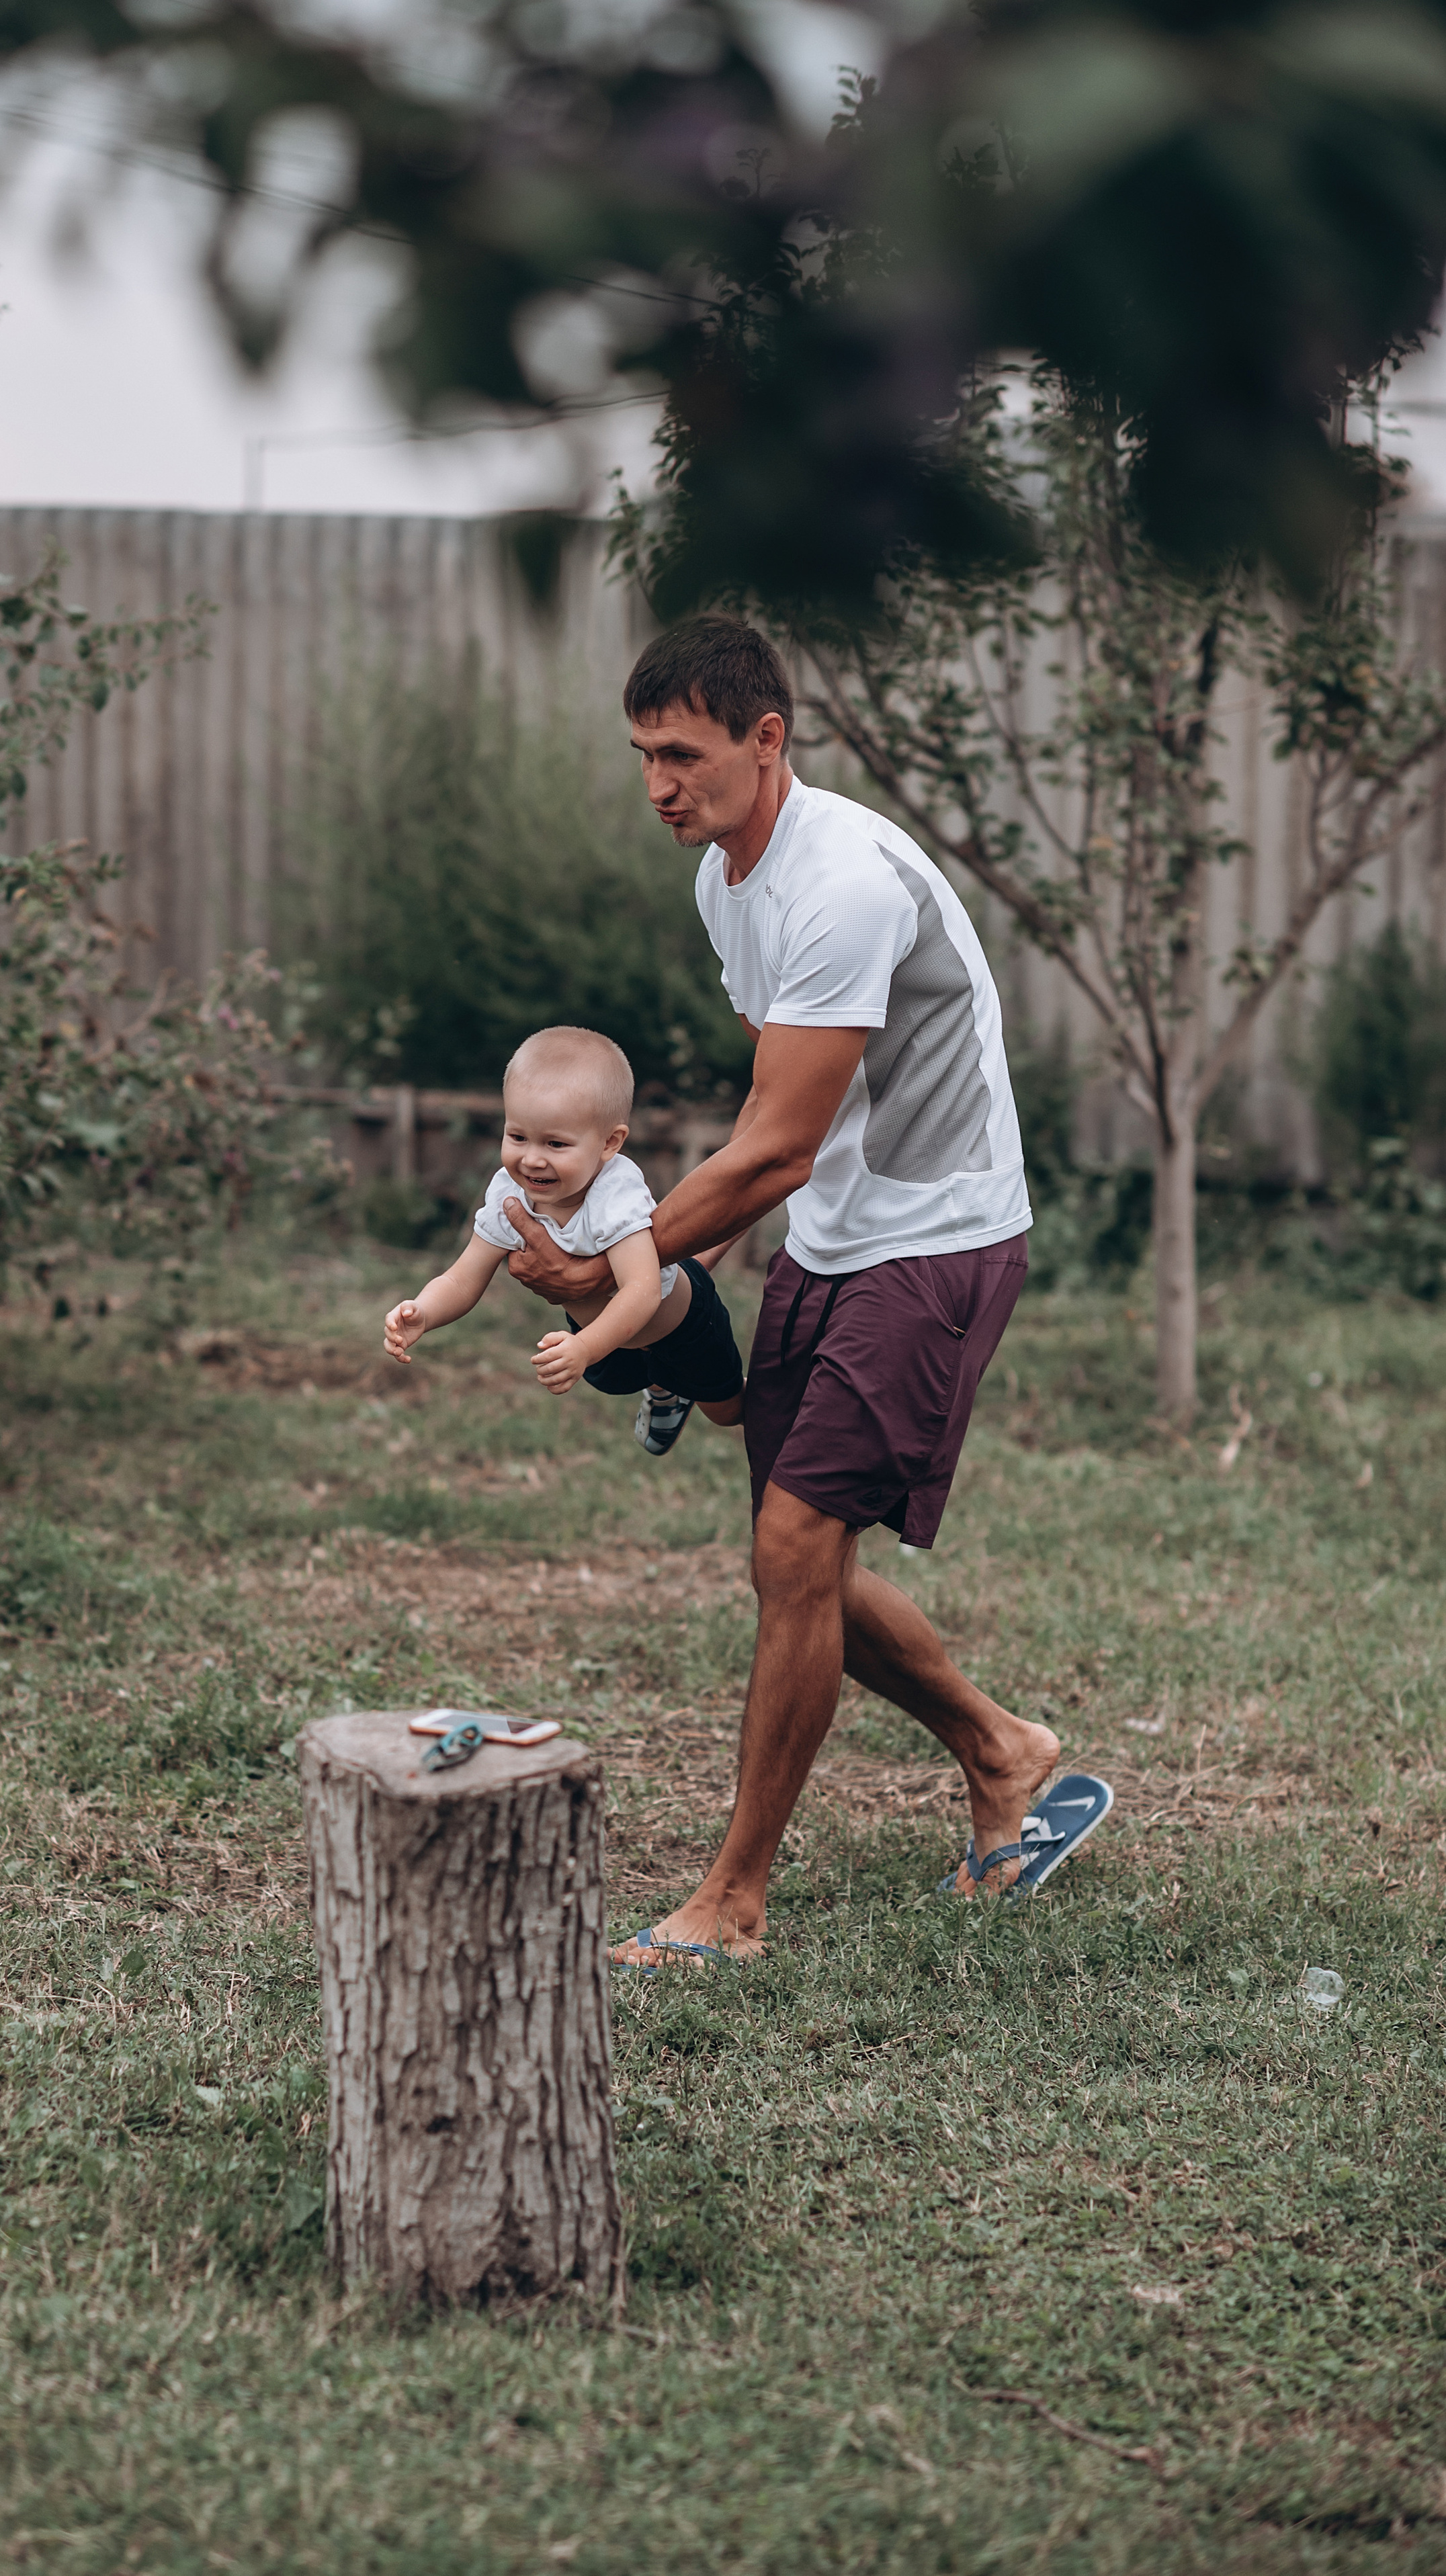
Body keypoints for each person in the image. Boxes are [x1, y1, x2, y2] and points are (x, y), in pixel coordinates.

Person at [500, 616, 1095, 1950]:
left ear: (766, 742)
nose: (660, 782)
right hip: (837, 1228)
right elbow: (797, 1112)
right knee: (795, 1558)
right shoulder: (726, 881)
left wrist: (622, 1259)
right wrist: (683, 1262)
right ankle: (1001, 1749)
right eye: (643, 755)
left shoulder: (842, 885)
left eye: (685, 754)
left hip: (935, 1236)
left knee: (790, 1547)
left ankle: (734, 1898)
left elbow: (768, 1143)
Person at [382, 1025, 745, 1443]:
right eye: (517, 1136)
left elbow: (641, 1291)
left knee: (727, 1411)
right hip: (607, 1339)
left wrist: (586, 1348)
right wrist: (425, 1312)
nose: (532, 1159)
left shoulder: (614, 1193)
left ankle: (770, 1403)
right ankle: (663, 1388)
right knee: (614, 1380)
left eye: (556, 1144)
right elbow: (463, 1277)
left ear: (610, 1143)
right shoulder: (510, 1192)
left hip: (682, 1324)